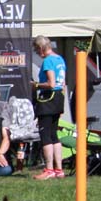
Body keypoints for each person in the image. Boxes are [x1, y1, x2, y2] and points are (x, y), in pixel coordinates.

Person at [32, 35, 67, 180]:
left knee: (45, 134)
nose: (37, 53)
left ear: (41, 48)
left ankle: (49, 169)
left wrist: (35, 85)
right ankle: (59, 169)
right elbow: (62, 83)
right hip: (59, 97)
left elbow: (51, 83)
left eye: (36, 50)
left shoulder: (48, 61)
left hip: (48, 98)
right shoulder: (60, 59)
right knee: (54, 135)